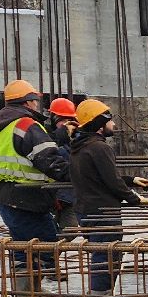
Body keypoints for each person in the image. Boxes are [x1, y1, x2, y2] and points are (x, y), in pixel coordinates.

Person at [66, 98, 148, 294]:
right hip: (103, 212)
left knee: (101, 253)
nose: (114, 124)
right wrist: (135, 198)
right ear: (99, 124)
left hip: (86, 210)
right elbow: (112, 182)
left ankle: (99, 296)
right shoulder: (99, 147)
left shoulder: (79, 147)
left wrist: (131, 180)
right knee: (107, 254)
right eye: (110, 120)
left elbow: (100, 176)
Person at [0, 79, 70, 285]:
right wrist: (76, 176)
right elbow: (47, 159)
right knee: (47, 246)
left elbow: (27, 147)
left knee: (22, 248)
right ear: (28, 102)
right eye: (35, 100)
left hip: (7, 194)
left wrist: (57, 136)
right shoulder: (27, 124)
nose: (36, 104)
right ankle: (29, 295)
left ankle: (25, 296)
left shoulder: (2, 125)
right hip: (28, 197)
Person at [48, 97, 81, 231]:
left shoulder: (78, 137)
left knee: (70, 229)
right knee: (47, 230)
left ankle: (52, 251)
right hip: (52, 194)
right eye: (62, 120)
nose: (66, 124)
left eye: (69, 120)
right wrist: (60, 136)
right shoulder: (46, 135)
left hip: (71, 195)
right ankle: (46, 251)